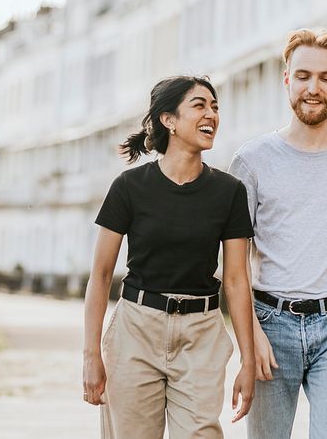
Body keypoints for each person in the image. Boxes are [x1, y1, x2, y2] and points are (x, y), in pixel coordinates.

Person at [228, 29, 327, 439]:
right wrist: (251, 335)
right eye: (303, 76)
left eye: (325, 77)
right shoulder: (251, 160)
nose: (313, 88)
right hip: (269, 324)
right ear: (286, 79)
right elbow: (232, 259)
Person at [82, 75, 256, 439]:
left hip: (201, 333)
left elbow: (238, 279)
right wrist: (91, 355)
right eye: (199, 105)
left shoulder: (229, 193)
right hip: (135, 330)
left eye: (215, 106)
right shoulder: (129, 187)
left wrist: (248, 359)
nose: (211, 114)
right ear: (169, 120)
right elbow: (99, 275)